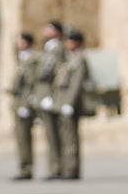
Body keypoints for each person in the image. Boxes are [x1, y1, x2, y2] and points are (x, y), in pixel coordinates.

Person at [56, 30, 90, 180]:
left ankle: (72, 169)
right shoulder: (70, 58)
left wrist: (69, 103)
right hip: (64, 101)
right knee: (64, 136)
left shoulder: (79, 59)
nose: (67, 44)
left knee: (71, 138)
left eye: (70, 41)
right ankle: (65, 168)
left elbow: (76, 84)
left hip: (72, 103)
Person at [36, 21, 66, 180]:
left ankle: (58, 168)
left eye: (49, 28)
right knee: (49, 135)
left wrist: (53, 95)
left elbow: (56, 71)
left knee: (55, 135)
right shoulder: (48, 48)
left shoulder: (57, 48)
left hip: (52, 94)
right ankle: (54, 167)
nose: (45, 30)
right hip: (45, 94)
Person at [10, 32, 38, 181]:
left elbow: (31, 83)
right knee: (20, 138)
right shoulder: (22, 58)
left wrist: (27, 103)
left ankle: (27, 168)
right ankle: (23, 167)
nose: (18, 44)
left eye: (20, 41)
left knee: (25, 137)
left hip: (24, 103)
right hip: (18, 102)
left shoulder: (32, 59)